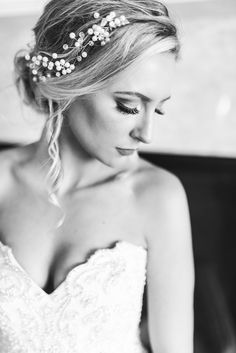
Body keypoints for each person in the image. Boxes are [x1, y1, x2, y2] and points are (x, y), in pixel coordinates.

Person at [0, 0, 194, 352]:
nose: (146, 133)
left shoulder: (157, 197)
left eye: (159, 108)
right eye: (128, 106)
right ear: (69, 83)